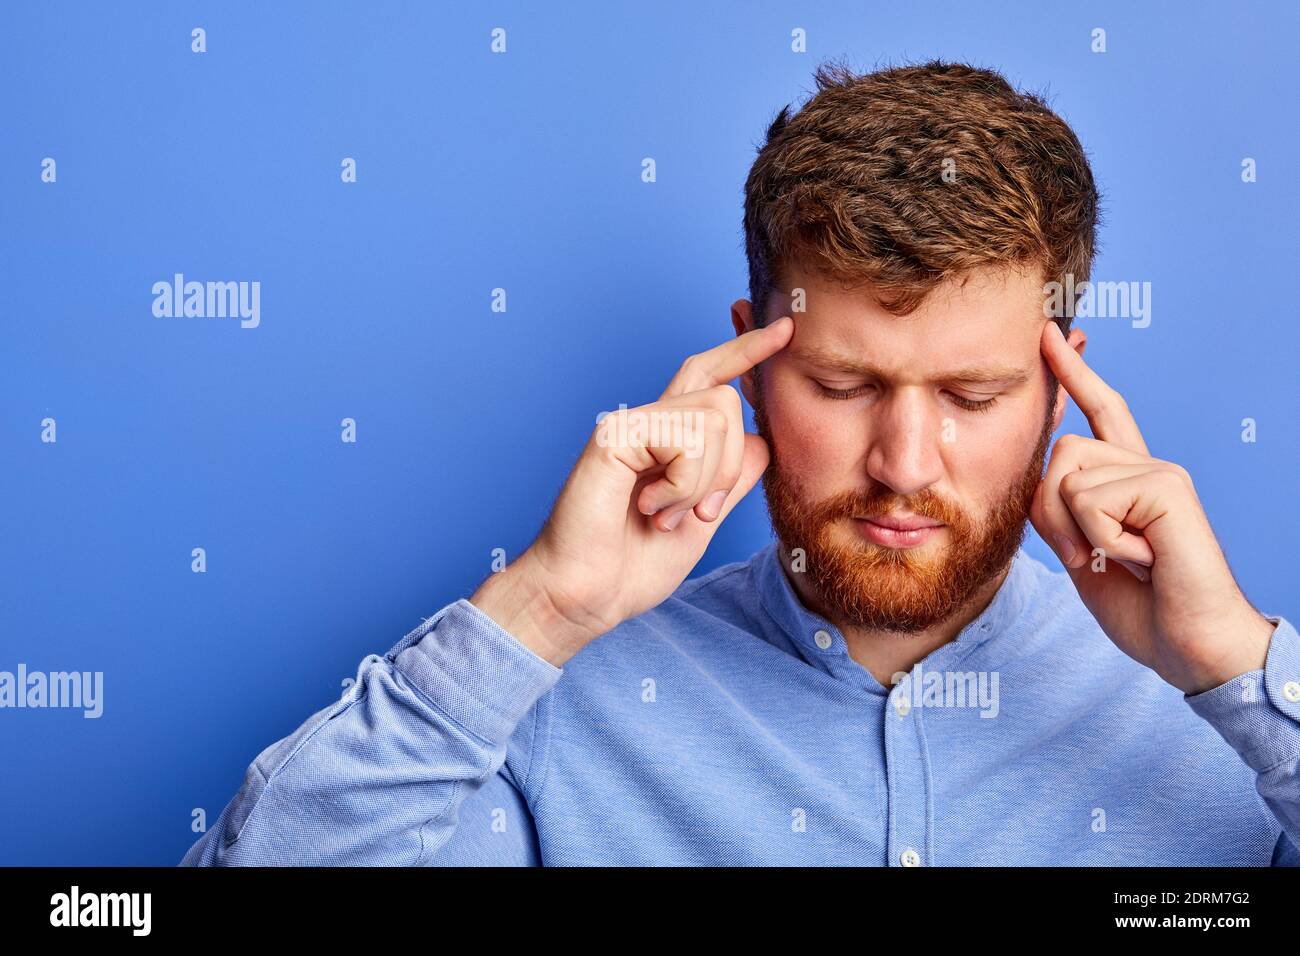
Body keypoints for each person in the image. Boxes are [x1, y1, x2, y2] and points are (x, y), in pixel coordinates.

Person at [181, 60, 1298, 866]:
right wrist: (541, 606)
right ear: (750, 366)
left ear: (1060, 387)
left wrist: (1240, 668)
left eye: (972, 394)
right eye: (844, 384)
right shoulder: (568, 709)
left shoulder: (1219, 730)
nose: (905, 463)